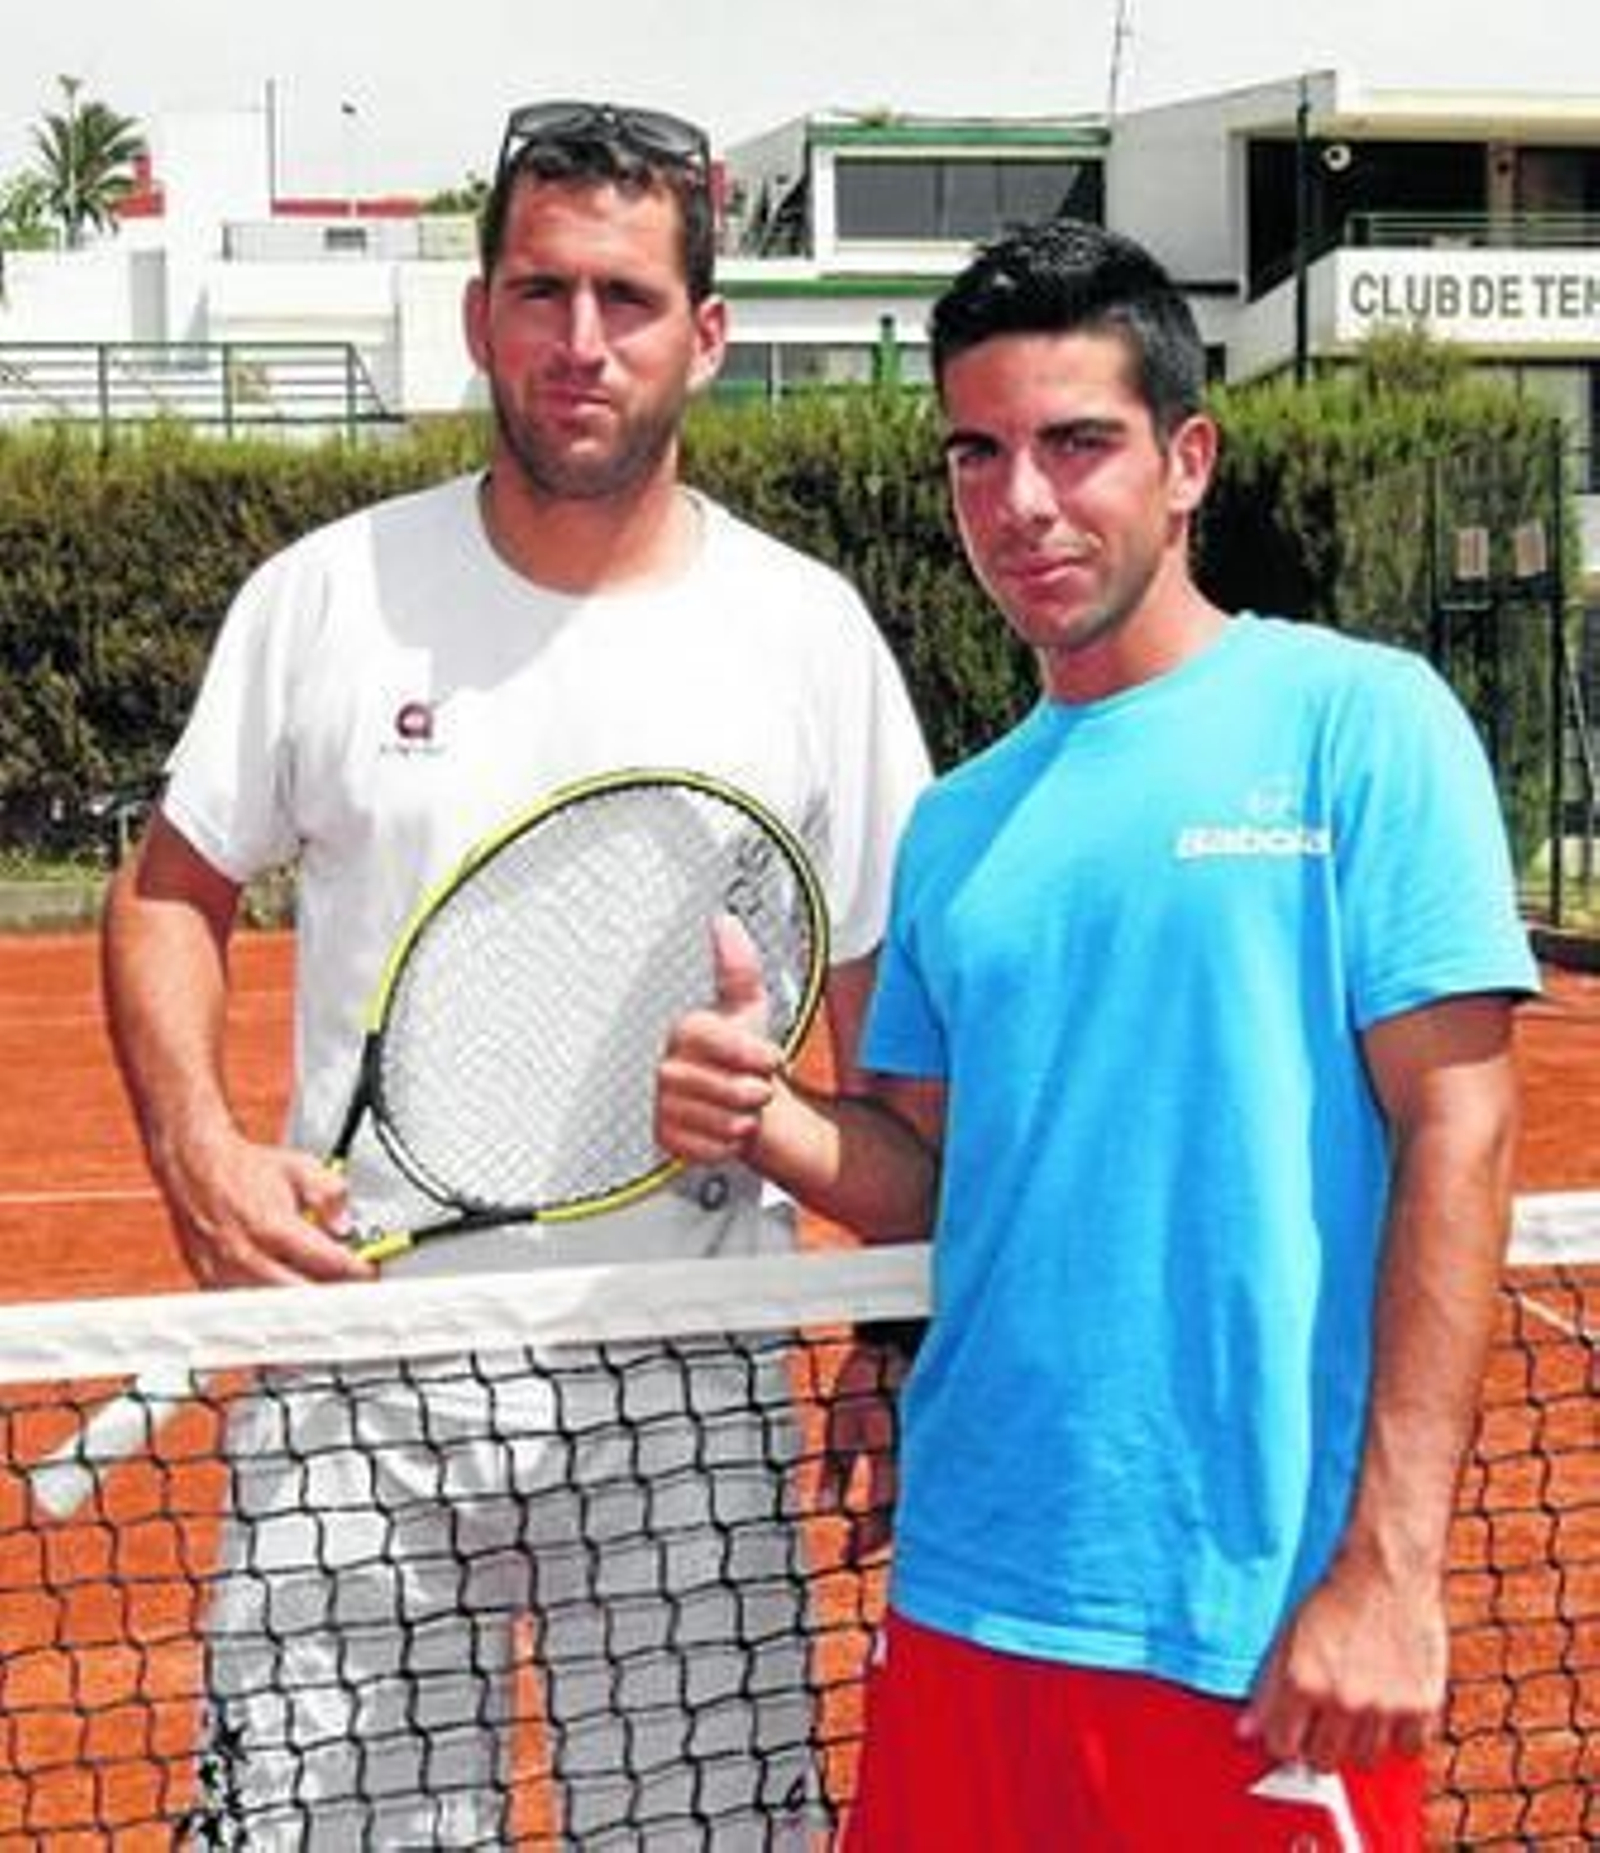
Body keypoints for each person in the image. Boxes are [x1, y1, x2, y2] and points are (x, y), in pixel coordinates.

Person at [654, 217, 1539, 1851]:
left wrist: (1393, 1568)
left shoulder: (1363, 722)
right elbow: (929, 1177)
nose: (1024, 501)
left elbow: (1463, 1130)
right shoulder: (961, 825)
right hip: (970, 1599)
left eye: (1078, 443)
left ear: (1186, 459)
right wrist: (767, 1112)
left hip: (1252, 1630)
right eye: (976, 454)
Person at [103, 100, 929, 1849]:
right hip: (359, 1365)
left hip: (691, 1374)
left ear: (704, 336)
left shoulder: (809, 636)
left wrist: (890, 1315)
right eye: (541, 291)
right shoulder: (324, 599)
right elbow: (169, 895)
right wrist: (197, 1149)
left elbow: (891, 1018)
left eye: (627, 300)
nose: (579, 342)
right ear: (480, 313)